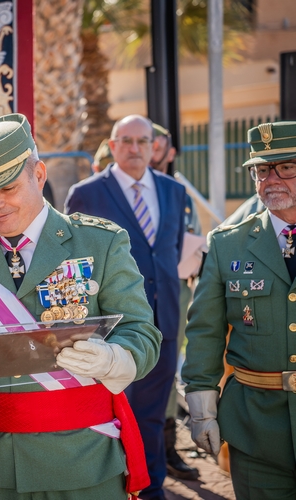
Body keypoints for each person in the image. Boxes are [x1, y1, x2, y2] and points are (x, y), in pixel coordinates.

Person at [0, 113, 162, 499]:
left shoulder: (100, 243)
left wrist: (112, 359)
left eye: (8, 187)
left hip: (82, 456)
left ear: (39, 175)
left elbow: (142, 333)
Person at [64, 115, 187, 500]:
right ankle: (112, 488)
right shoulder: (86, 194)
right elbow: (74, 263)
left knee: (153, 414)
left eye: (143, 141)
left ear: (155, 147)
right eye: (127, 141)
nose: (135, 148)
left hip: (164, 322)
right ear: (113, 145)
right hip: (111, 331)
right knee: (110, 413)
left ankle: (150, 489)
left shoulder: (173, 191)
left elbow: (171, 252)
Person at [182, 121, 296, 498]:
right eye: (261, 170)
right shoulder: (227, 244)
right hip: (256, 428)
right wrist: (201, 408)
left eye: (286, 167)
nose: (271, 179)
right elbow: (205, 330)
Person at [149, 123, 202, 481]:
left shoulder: (178, 193)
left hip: (175, 287)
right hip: (135, 288)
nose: (149, 152)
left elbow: (192, 234)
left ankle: (167, 446)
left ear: (170, 153)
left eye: (156, 146)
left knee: (168, 366)